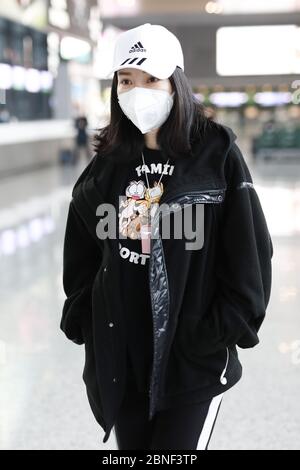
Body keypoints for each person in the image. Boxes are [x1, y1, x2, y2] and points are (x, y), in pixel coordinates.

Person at [60, 23, 273, 450]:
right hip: (124, 354)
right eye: (127, 80)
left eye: (151, 78)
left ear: (175, 81)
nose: (138, 90)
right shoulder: (109, 161)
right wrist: (85, 314)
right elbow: (83, 245)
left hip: (191, 357)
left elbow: (250, 253)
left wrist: (220, 330)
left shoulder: (215, 155)